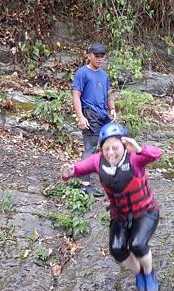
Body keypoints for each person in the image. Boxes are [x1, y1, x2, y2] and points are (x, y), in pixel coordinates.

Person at [61, 122, 162, 291]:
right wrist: (69, 172)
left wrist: (139, 149)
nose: (110, 153)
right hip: (120, 215)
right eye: (106, 148)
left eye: (115, 147)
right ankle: (138, 272)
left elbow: (156, 154)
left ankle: (148, 272)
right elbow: (78, 169)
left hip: (145, 212)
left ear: (124, 145)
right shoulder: (98, 160)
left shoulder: (135, 158)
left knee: (137, 244)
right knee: (117, 249)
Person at [72, 42, 117, 198]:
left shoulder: (104, 75)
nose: (99, 59)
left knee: (111, 145)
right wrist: (80, 117)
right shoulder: (82, 73)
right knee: (90, 148)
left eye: (102, 56)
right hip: (89, 114)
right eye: (96, 56)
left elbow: (108, 94)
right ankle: (84, 185)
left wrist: (112, 109)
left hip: (103, 114)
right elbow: (76, 95)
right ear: (89, 55)